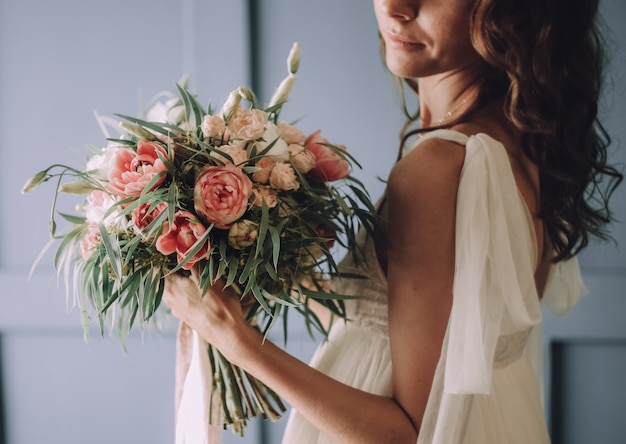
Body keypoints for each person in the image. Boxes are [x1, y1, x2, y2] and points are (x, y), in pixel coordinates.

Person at [163, 0, 623, 442]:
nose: (395, 6)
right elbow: (421, 335)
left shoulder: (438, 170)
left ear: (512, 9)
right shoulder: (517, 144)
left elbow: (411, 434)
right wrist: (293, 278)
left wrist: (231, 336)